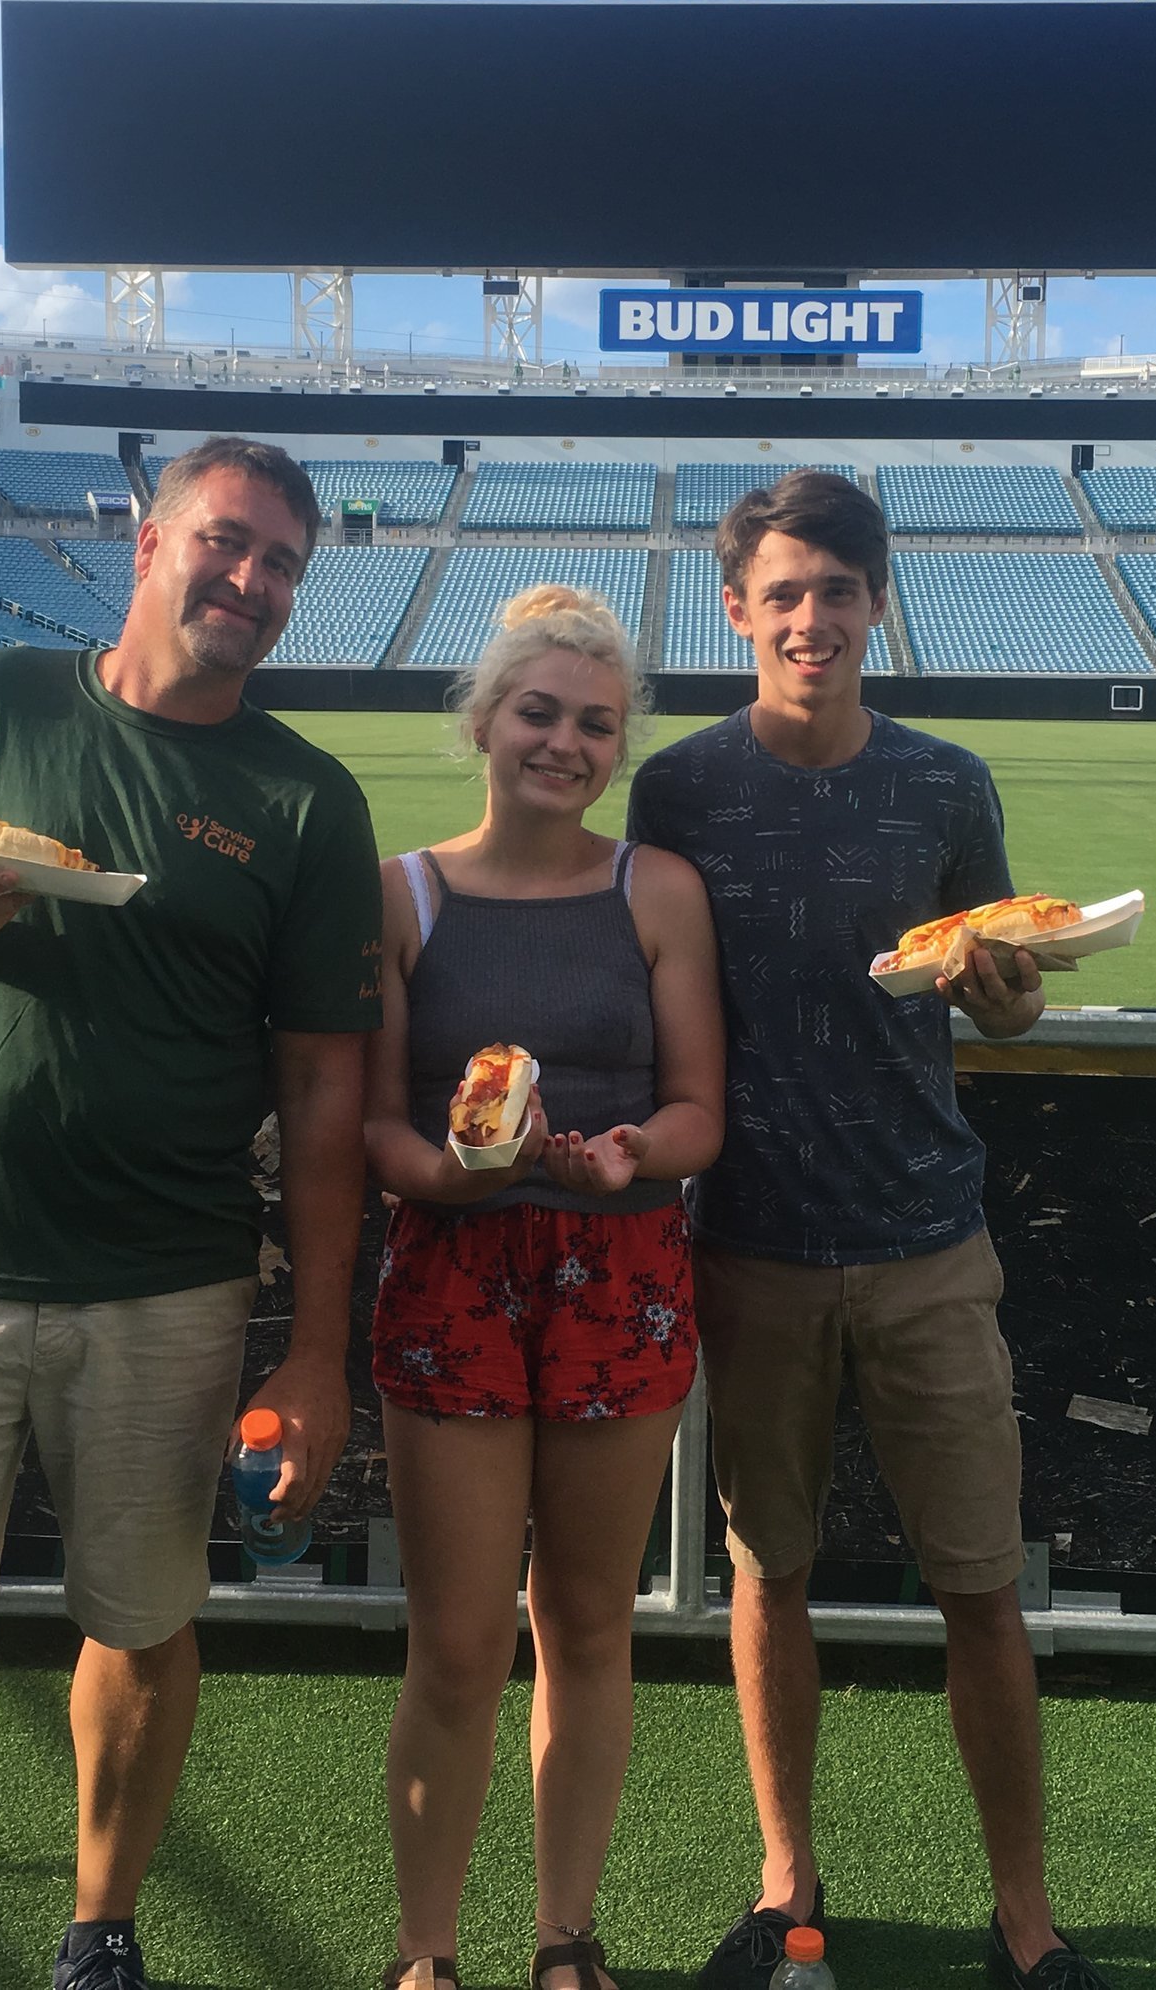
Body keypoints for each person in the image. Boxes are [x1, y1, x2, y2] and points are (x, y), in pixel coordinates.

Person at [0, 436, 381, 1990]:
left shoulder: (306, 800)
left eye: (283, 564)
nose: (251, 582)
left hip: (166, 1287)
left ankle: (99, 1932)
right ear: (146, 540)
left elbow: (324, 1093)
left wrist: (316, 1354)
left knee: (143, 1625)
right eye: (227, 543)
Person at [624, 471, 1104, 1990]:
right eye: (784, 592)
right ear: (736, 611)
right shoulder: (679, 791)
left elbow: (1002, 989)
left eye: (838, 588)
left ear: (879, 600)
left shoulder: (946, 786)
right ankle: (788, 1886)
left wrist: (1013, 998)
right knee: (767, 1571)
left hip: (925, 1243)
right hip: (751, 1246)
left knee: (981, 1586)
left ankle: (1024, 1919)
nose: (811, 617)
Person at [363, 585, 725, 1990]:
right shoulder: (402, 892)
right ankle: (426, 1951)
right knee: (457, 1644)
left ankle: (565, 1936)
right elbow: (383, 1121)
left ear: (618, 745)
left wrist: (627, 1150)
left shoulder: (658, 889)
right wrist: (453, 1172)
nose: (563, 743)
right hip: (452, 1268)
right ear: (482, 721)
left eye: (593, 722)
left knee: (586, 1623)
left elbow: (701, 1110)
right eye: (538, 712)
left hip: (619, 1265)